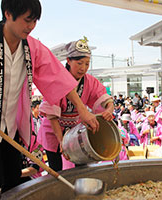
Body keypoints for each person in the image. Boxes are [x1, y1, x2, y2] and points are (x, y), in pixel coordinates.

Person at [0, 1, 99, 199]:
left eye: (34, 21)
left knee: (14, 179)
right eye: (27, 20)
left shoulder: (33, 47)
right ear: (8, 14)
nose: (31, 26)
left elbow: (58, 77)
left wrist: (82, 110)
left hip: (12, 126)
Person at [38, 37, 114, 171]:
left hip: (75, 129)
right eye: (79, 63)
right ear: (68, 61)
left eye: (86, 63)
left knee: (82, 163)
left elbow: (102, 97)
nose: (83, 68)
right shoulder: (56, 79)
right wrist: (61, 141)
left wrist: (109, 108)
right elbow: (53, 117)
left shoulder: (89, 81)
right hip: (54, 129)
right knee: (56, 168)